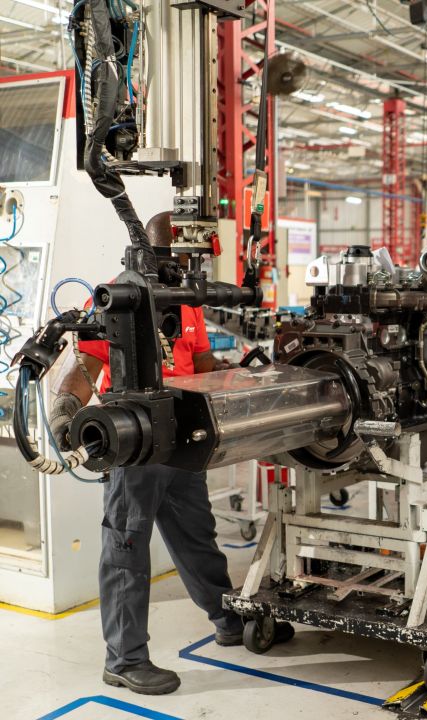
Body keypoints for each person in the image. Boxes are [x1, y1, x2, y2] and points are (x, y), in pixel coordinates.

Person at [48, 212, 293, 695]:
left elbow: (200, 362)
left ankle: (228, 619)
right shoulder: (117, 296)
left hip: (182, 439)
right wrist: (65, 409)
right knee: (126, 548)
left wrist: (243, 376)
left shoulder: (185, 299)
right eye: (184, 258)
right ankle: (124, 659)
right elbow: (85, 364)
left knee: (197, 534)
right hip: (137, 442)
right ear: (158, 253)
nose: (190, 269)